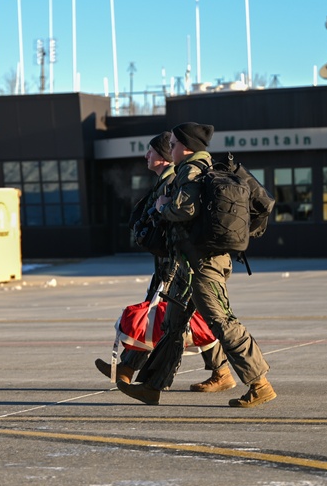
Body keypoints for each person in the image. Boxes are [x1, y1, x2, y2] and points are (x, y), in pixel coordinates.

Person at [117, 122, 276, 408]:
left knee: (221, 321)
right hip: (189, 266)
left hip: (202, 266)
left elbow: (183, 209)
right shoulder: (197, 168)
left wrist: (163, 204)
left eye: (175, 145)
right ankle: (152, 386)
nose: (172, 149)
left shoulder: (191, 170)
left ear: (186, 147)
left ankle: (259, 383)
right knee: (171, 325)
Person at [94, 132, 232, 391]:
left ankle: (220, 371)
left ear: (164, 156)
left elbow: (176, 219)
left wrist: (158, 213)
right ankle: (128, 366)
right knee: (159, 314)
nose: (146, 156)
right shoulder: (166, 181)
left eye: (151, 151)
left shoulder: (173, 181)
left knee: (177, 318)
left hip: (176, 262)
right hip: (168, 261)